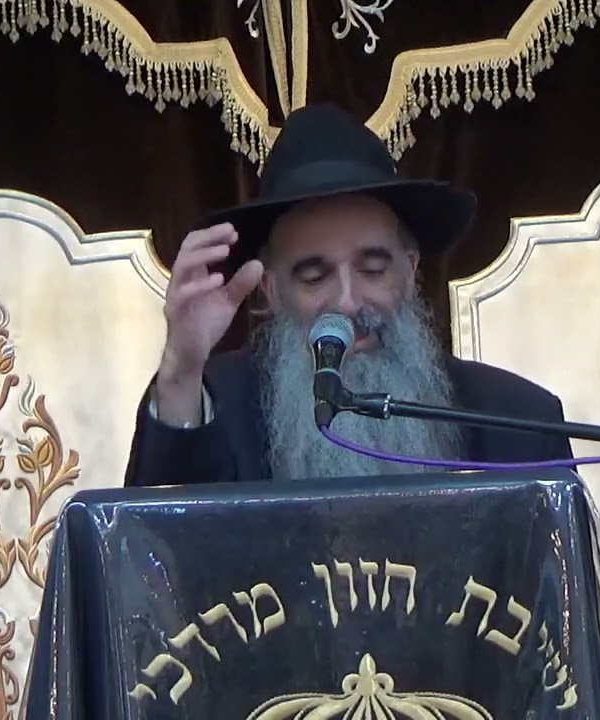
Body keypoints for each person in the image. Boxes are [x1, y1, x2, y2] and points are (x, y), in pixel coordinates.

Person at [123, 103, 573, 486]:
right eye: (314, 276)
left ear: (410, 271)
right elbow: (160, 551)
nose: (347, 302)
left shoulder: (519, 421)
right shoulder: (213, 405)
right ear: (272, 291)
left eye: (372, 269)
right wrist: (180, 370)